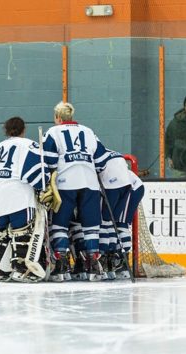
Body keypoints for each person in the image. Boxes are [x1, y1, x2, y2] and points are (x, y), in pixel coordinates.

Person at [42, 101, 108, 282]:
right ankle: (93, 264)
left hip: (64, 184)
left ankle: (62, 265)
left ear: (57, 117)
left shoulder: (53, 132)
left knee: (60, 225)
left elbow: (49, 161)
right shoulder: (88, 131)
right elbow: (102, 161)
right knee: (91, 226)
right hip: (90, 183)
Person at [0, 117, 50, 282]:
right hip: (19, 193)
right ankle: (20, 269)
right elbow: (34, 170)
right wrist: (42, 187)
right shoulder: (28, 144)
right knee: (22, 232)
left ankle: (1, 271)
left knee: (4, 234)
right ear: (23, 130)